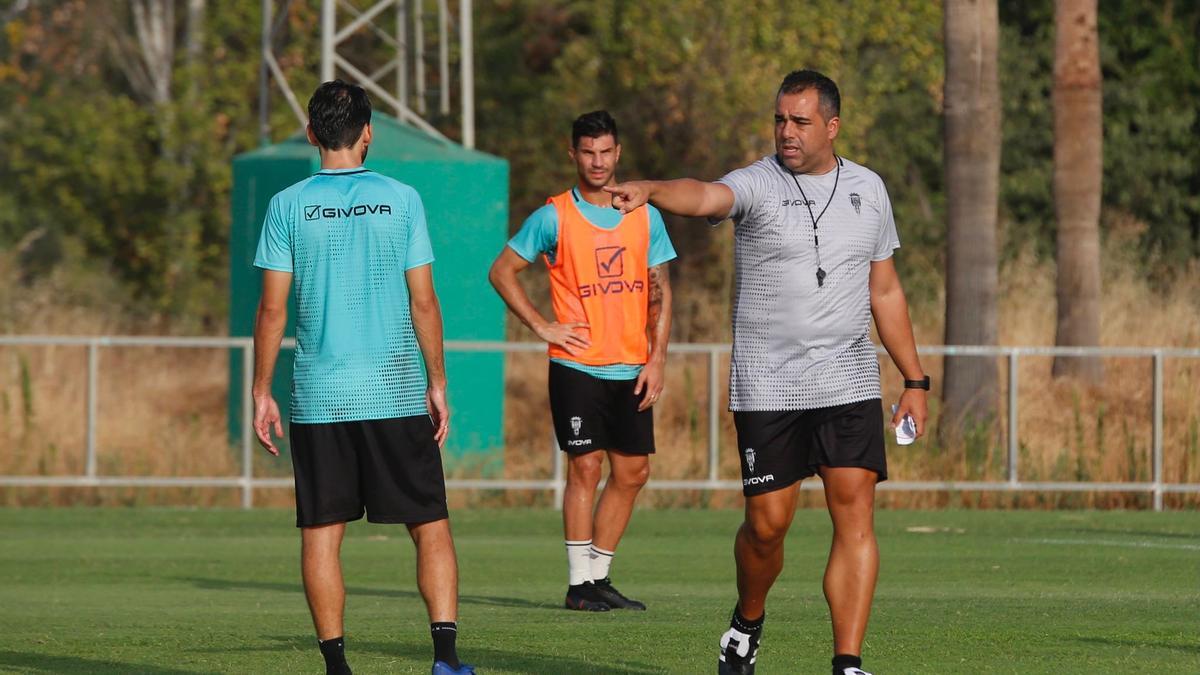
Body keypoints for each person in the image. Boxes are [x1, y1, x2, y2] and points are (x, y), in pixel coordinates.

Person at [605, 70, 929, 675]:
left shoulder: (869, 189)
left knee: (854, 509)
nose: (787, 132)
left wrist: (914, 380)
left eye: (801, 122)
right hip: (770, 385)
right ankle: (746, 623)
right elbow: (705, 196)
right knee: (767, 527)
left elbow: (884, 289)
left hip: (849, 379)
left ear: (831, 126)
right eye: (780, 119)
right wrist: (652, 189)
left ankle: (848, 663)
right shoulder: (757, 182)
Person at [251, 80, 474, 675]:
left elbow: (272, 308)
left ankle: (337, 667)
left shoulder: (287, 204)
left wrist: (260, 389)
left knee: (322, 531)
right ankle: (446, 660)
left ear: (311, 134)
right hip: (395, 389)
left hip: (320, 397)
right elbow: (423, 301)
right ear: (368, 132)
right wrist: (439, 382)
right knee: (429, 525)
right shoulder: (401, 198)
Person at [488, 110, 677, 612]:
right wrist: (542, 326)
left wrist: (657, 358)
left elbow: (660, 291)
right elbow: (503, 271)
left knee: (633, 472)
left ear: (618, 154)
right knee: (586, 467)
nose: (597, 161)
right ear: (573, 154)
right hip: (577, 365)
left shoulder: (644, 214)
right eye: (587, 152)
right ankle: (577, 586)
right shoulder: (553, 215)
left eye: (605, 151)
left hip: (632, 365)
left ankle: (598, 576)